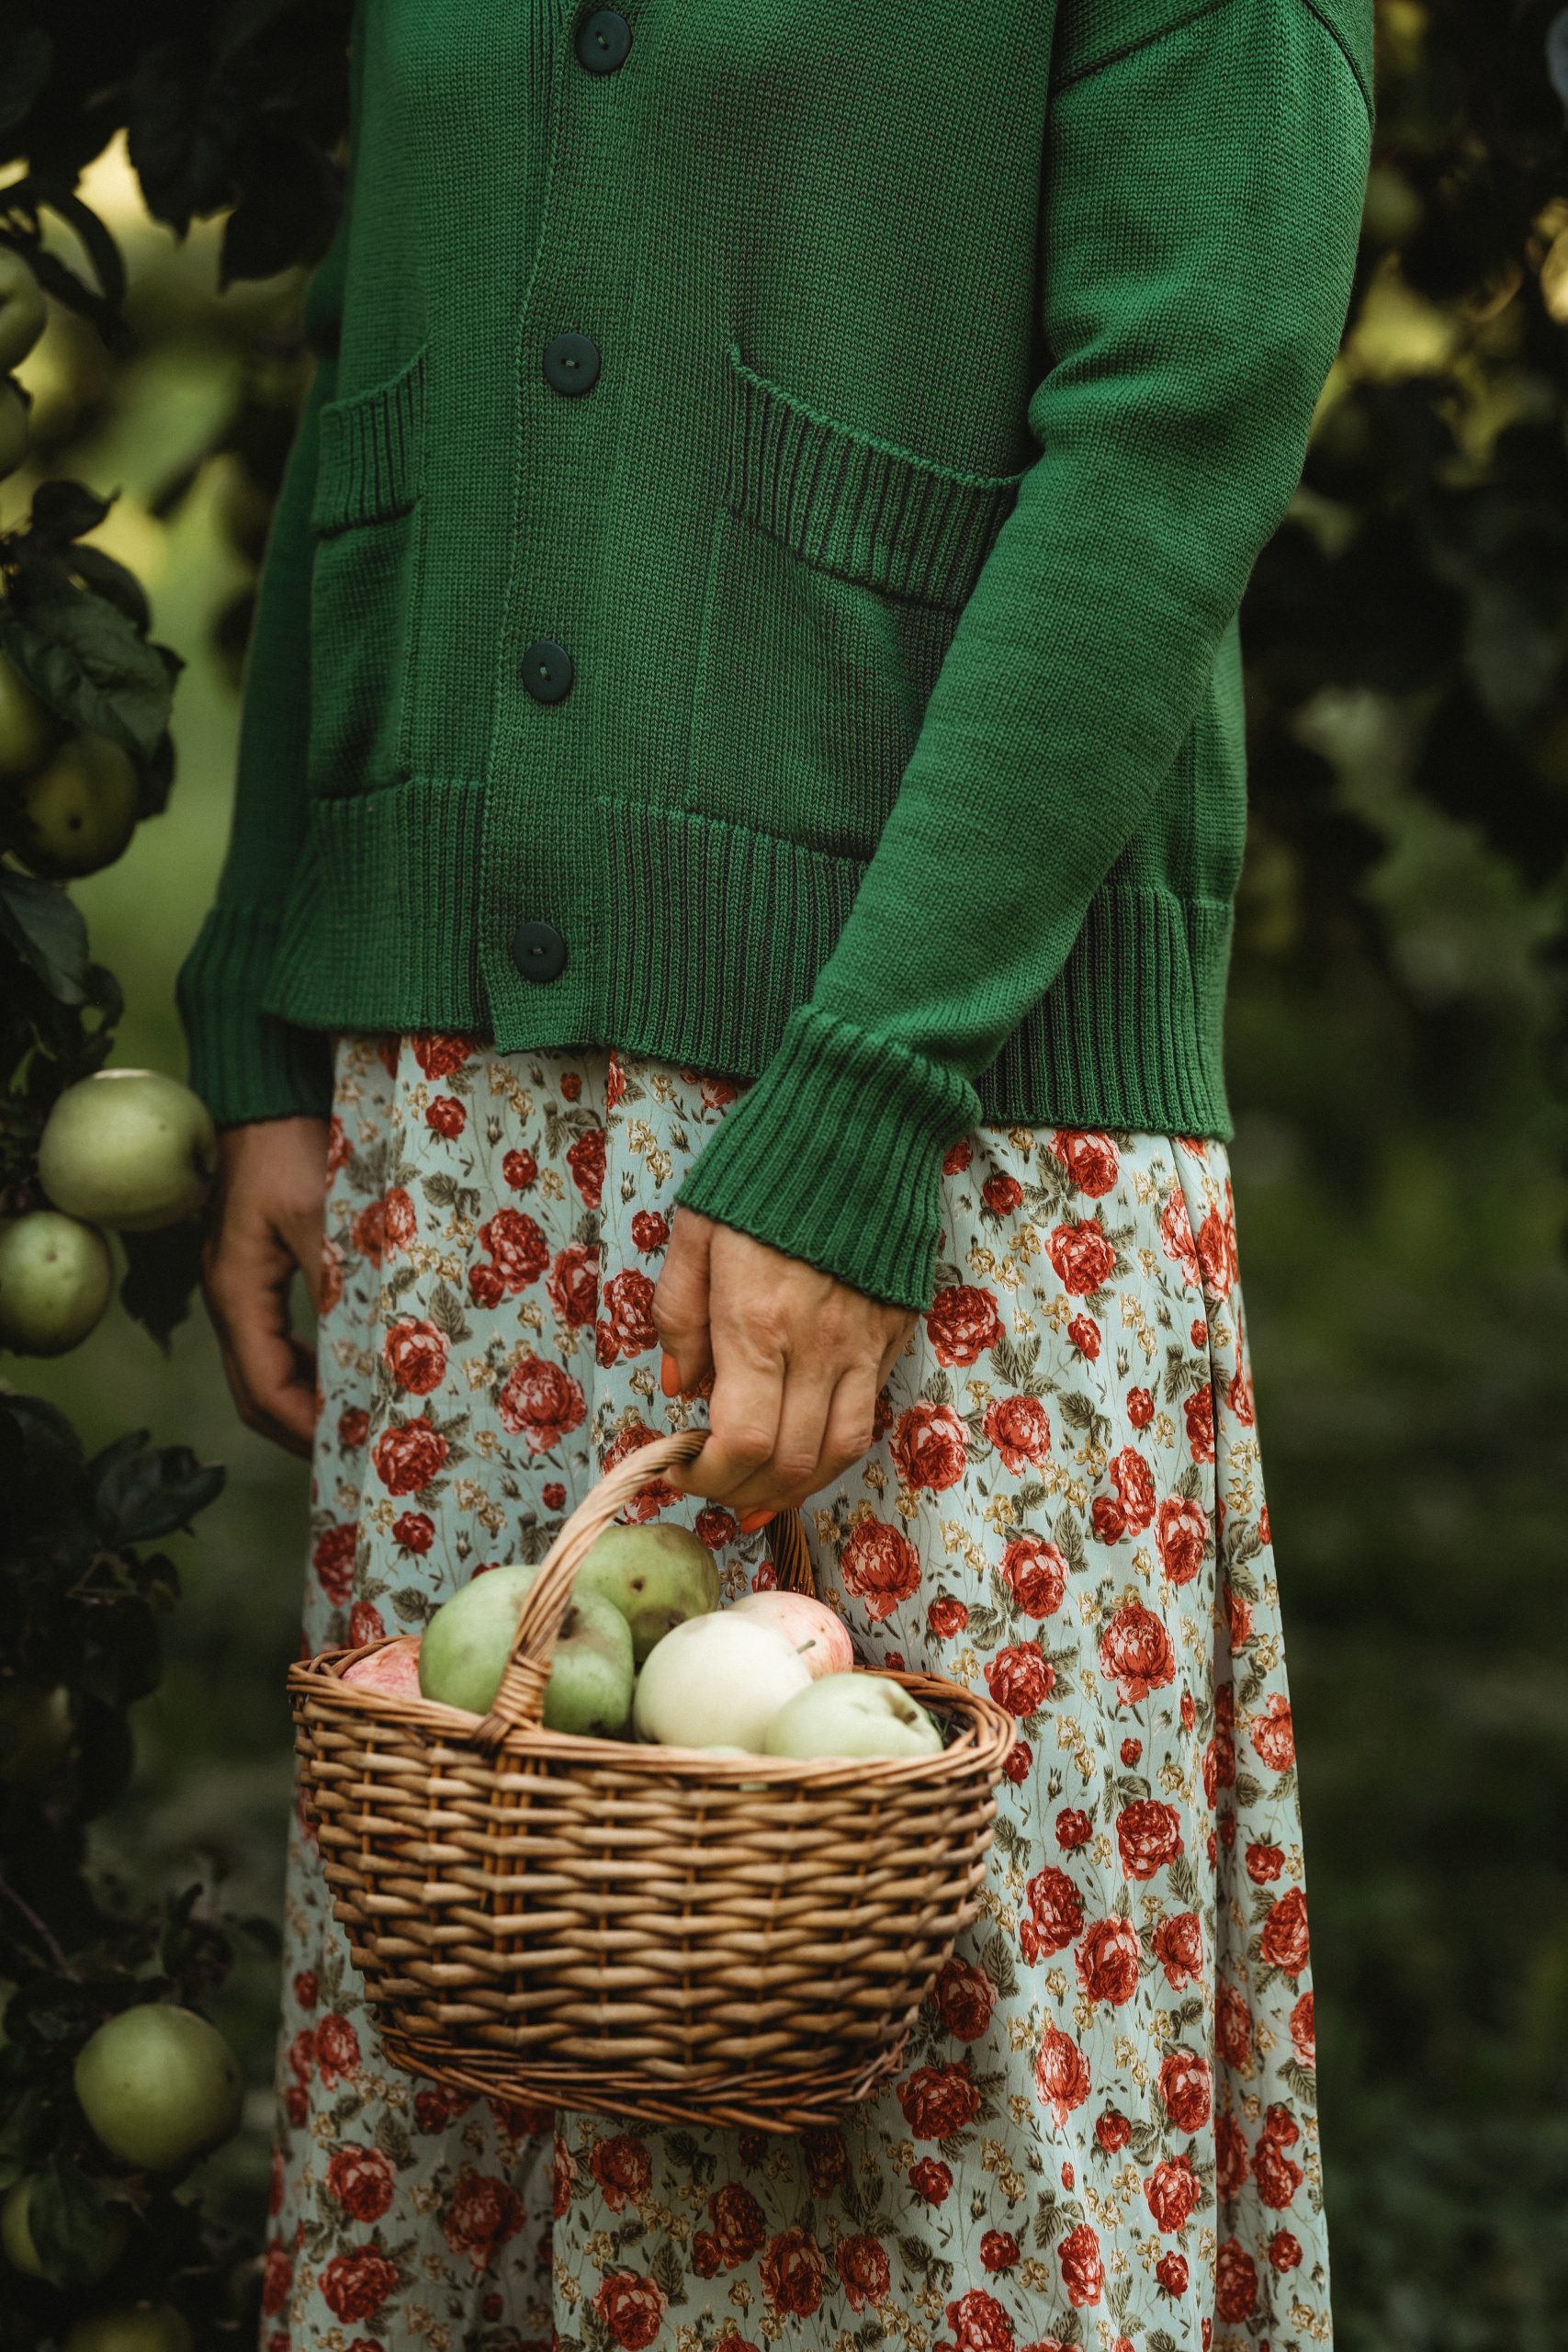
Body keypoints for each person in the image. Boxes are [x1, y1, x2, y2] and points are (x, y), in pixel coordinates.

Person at [180, 1, 1375, 2344]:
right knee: (483, 2061)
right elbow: (391, 343)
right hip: (466, 1148)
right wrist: (269, 998)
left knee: (919, 2156)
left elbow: (1173, 424)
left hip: (939, 1143)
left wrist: (863, 1099)